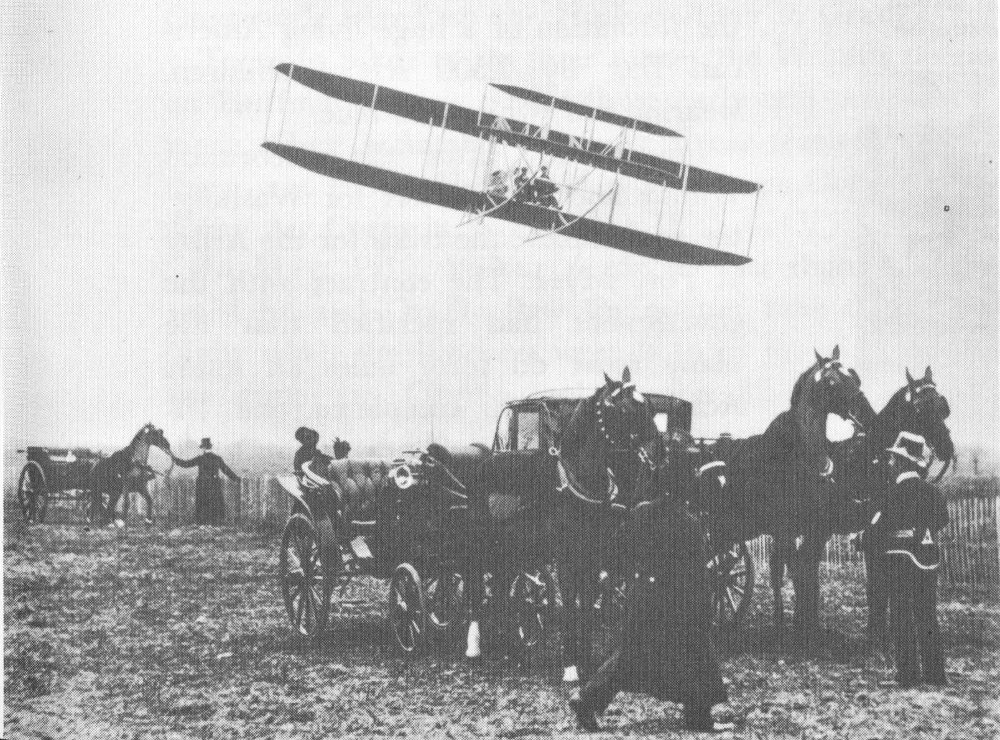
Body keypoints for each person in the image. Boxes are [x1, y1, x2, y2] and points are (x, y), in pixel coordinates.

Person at [570, 492, 728, 732]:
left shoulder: (642, 513)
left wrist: (612, 572)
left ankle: (587, 699)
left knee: (631, 655)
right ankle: (698, 717)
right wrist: (704, 609)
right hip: (676, 602)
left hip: (642, 598)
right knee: (697, 650)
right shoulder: (689, 524)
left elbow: (617, 549)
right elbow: (697, 575)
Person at [866, 432, 949, 687]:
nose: (890, 463)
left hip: (900, 560)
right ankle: (935, 674)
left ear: (903, 463)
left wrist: (863, 540)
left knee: (901, 615)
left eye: (894, 459)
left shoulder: (891, 493)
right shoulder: (933, 492)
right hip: (929, 557)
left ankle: (908, 675)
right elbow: (942, 520)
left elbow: (876, 528)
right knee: (927, 614)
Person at [171, 438, 240, 525]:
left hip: (202, 485)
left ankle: (202, 523)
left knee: (202, 504)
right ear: (210, 447)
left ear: (203, 448)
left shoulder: (200, 458)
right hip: (214, 484)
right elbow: (226, 470)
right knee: (215, 503)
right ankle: (215, 523)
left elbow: (186, 464)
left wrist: (175, 460)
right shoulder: (217, 458)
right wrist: (236, 479)